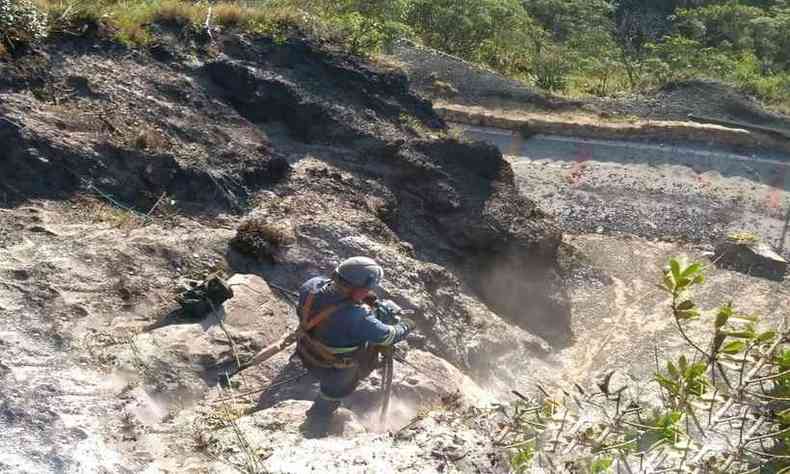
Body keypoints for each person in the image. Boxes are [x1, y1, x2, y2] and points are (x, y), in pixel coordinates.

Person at [295, 256, 416, 425]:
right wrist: (406, 325)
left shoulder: (311, 286)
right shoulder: (357, 316)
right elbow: (389, 336)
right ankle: (319, 417)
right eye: (367, 289)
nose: (368, 292)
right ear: (357, 290)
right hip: (333, 371)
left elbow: (333, 308)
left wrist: (357, 301)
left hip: (305, 351)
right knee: (335, 389)